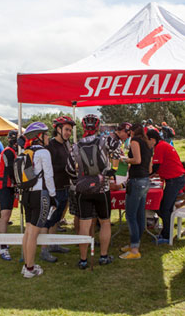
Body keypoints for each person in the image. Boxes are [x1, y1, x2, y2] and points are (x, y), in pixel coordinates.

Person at [66, 114, 121, 270]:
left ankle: (83, 260)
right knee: (105, 222)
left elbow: (69, 168)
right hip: (102, 187)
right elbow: (117, 148)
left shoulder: (75, 145)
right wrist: (112, 170)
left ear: (83, 127)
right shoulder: (105, 141)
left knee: (84, 223)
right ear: (98, 127)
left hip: (83, 189)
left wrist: (78, 182)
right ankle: (103, 256)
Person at [21, 122, 56, 278]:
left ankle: (26, 265)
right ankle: (30, 269)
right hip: (39, 194)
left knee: (28, 231)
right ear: (39, 137)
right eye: (46, 134)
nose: (48, 137)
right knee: (34, 233)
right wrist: (53, 196)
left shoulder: (25, 151)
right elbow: (48, 176)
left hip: (26, 194)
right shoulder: (44, 153)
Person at [39, 115, 75, 263]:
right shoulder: (50, 147)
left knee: (56, 219)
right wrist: (67, 168)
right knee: (47, 220)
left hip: (64, 187)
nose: (68, 133)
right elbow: (47, 168)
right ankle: (43, 250)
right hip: (52, 189)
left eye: (70, 130)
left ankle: (53, 244)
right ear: (58, 129)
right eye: (66, 129)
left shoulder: (66, 145)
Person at [119, 123, 153, 259]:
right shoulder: (147, 143)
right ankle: (135, 243)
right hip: (145, 180)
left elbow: (137, 160)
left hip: (137, 181)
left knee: (131, 215)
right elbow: (148, 166)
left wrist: (125, 159)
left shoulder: (134, 141)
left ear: (132, 132)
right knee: (139, 214)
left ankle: (134, 249)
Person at [147, 129, 185, 244]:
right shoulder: (162, 145)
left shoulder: (160, 147)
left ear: (152, 140)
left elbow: (156, 167)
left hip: (174, 180)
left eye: (147, 142)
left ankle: (167, 236)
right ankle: (165, 233)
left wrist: (145, 176)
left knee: (164, 208)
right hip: (174, 179)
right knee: (162, 207)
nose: (147, 145)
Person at [0, 130, 18, 260]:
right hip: (3, 185)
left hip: (4, 184)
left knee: (3, 215)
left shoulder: (10, 151)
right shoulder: (9, 152)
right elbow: (11, 171)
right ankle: (3, 247)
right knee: (5, 215)